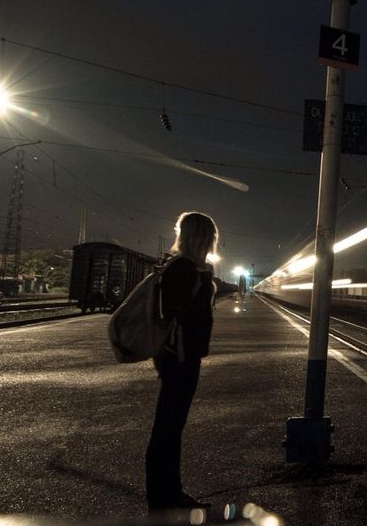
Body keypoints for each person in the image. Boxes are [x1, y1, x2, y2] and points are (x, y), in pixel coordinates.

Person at [145, 212, 218, 511]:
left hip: (177, 355)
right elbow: (182, 315)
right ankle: (164, 495)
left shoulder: (183, 267)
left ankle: (167, 491)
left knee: (171, 425)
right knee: (168, 426)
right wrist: (204, 278)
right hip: (180, 357)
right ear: (204, 237)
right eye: (211, 236)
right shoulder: (185, 269)